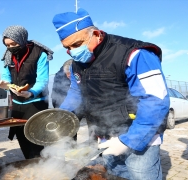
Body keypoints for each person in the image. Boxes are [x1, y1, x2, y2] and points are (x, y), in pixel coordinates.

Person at [52, 9, 170, 179]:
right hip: (105, 135)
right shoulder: (76, 64)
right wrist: (62, 117)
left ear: (96, 34)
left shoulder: (134, 54)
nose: (72, 51)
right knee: (115, 176)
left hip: (139, 136)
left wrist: (128, 141)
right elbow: (76, 92)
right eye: (67, 48)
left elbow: (155, 101)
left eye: (77, 44)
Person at [0, 25, 53, 159]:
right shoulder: (8, 55)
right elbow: (6, 75)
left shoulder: (39, 53)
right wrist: (5, 84)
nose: (11, 47)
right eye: (7, 45)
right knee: (21, 137)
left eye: (14, 44)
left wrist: (31, 92)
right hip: (17, 103)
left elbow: (43, 80)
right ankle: (31, 163)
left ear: (22, 39)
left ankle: (42, 166)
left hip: (35, 103)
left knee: (35, 138)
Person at [51, 59, 84, 141]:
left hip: (86, 101)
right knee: (69, 127)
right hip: (68, 102)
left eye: (70, 73)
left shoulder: (81, 70)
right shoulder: (60, 75)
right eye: (67, 74)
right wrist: (59, 111)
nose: (69, 76)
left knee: (95, 128)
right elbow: (57, 92)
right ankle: (70, 148)